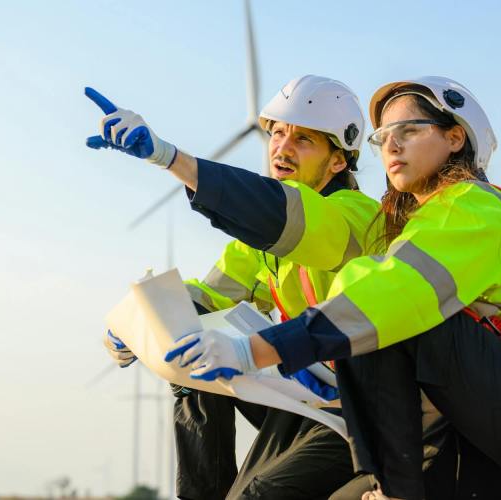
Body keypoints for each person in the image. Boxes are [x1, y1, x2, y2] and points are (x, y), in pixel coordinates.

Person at [165, 76, 501, 500]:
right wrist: (143, 322)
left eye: (409, 130)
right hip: (495, 425)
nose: (392, 146)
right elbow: (212, 296)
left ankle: (397, 493)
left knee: (375, 307)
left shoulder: (472, 209)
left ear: (455, 138)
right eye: (384, 137)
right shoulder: (420, 224)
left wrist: (252, 351)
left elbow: (384, 299)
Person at [91, 75, 387, 499]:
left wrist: (170, 158)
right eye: (278, 133)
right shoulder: (262, 242)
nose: (282, 148)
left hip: (363, 411)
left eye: (303, 139)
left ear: (338, 161)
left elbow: (291, 219)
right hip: (307, 397)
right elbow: (203, 299)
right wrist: (133, 324)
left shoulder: (357, 217)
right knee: (188, 347)